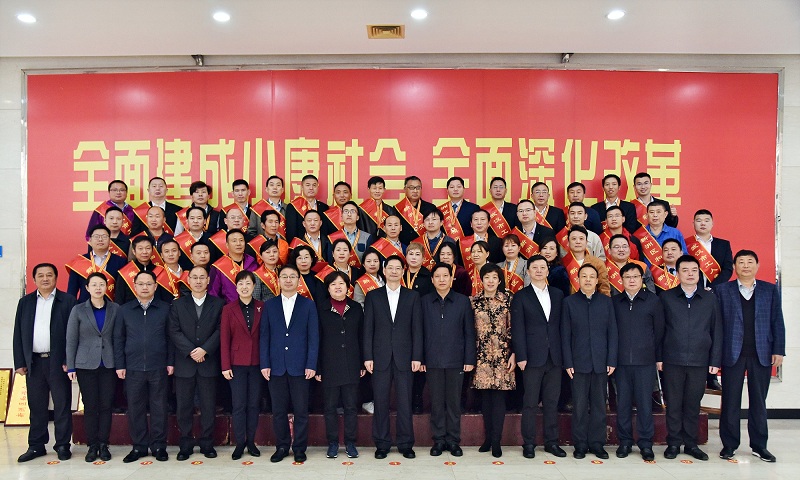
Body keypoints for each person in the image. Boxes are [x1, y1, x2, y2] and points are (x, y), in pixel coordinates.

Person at [717, 250, 785, 462]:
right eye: (741, 262)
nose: (745, 265)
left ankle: (759, 445)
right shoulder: (723, 290)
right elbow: (717, 326)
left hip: (761, 353)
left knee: (759, 402)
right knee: (730, 401)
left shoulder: (769, 290)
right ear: (734, 266)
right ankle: (729, 445)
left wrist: (779, 350)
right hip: (732, 353)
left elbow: (777, 321)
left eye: (750, 262)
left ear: (757, 265)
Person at [660, 255, 722, 461]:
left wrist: (715, 360)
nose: (690, 274)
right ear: (677, 274)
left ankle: (691, 444)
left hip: (699, 360)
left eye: (694, 270)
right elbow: (659, 331)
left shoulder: (710, 299)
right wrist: (659, 357)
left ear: (699, 273)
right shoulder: (667, 297)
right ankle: (673, 443)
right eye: (685, 270)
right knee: (673, 404)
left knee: (693, 404)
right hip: (672, 359)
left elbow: (717, 330)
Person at [13, 264, 77, 463]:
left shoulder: (67, 301)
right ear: (34, 280)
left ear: (56, 278)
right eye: (40, 275)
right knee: (36, 405)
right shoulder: (25, 302)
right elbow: (18, 333)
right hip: (33, 362)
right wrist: (20, 361)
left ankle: (62, 445)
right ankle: (36, 445)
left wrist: (68, 360)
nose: (45, 278)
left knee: (62, 404)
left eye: (49, 275)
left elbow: (73, 334)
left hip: (58, 362)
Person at [363, 255, 424, 460]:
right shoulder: (373, 296)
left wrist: (417, 356)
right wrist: (367, 356)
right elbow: (368, 329)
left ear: (403, 271)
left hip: (405, 357)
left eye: (398, 268)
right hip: (379, 356)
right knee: (380, 402)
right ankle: (382, 443)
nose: (394, 271)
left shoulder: (412, 296)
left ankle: (406, 444)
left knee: (405, 402)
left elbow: (417, 329)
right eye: (391, 268)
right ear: (384, 270)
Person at [260, 264, 319, 463]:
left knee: (301, 410)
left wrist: (311, 364)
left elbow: (313, 337)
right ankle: (282, 446)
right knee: (278, 411)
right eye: (284, 276)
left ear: (298, 280)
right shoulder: (269, 305)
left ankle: (300, 448)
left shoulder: (308, 305)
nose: (288, 280)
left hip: (300, 366)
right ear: (278, 280)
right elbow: (264, 336)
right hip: (276, 366)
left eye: (292, 276)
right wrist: (265, 363)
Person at [114, 270, 174, 463]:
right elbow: (118, 339)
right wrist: (120, 364)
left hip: (159, 366)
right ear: (134, 286)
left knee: (159, 407)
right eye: (141, 284)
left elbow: (170, 338)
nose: (145, 287)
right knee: (135, 408)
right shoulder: (124, 310)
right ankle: (139, 446)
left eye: (149, 284)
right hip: (133, 367)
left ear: (155, 286)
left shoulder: (165, 309)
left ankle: (159, 446)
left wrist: (170, 361)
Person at [511, 255, 567, 459]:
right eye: (534, 268)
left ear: (548, 270)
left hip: (555, 357)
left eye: (543, 267)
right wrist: (521, 355)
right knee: (530, 402)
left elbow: (562, 327)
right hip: (531, 357)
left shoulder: (558, 294)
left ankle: (552, 442)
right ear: (528, 271)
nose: (539, 271)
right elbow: (517, 329)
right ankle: (529, 443)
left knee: (552, 402)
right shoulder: (521, 296)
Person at [169, 265, 225, 461]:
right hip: (185, 364)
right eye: (195, 277)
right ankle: (185, 444)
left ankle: (207, 443)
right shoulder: (177, 304)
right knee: (184, 407)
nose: (199, 281)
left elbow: (220, 330)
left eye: (202, 277)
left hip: (208, 363)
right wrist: (191, 351)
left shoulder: (218, 304)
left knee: (208, 406)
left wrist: (205, 350)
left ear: (208, 281)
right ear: (189, 280)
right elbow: (174, 331)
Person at [561, 264, 617, 459]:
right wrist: (568, 362)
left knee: (600, 405)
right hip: (578, 363)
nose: (587, 280)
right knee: (579, 406)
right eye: (583, 276)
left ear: (597, 280)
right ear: (578, 279)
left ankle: (597, 443)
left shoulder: (606, 302)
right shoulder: (569, 302)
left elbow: (613, 333)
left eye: (591, 276)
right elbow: (565, 335)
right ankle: (580, 444)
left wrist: (611, 359)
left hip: (601, 362)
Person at [421, 263, 476, 457]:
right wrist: (421, 358)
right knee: (436, 403)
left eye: (445, 276)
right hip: (432, 360)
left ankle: (453, 440)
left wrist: (469, 358)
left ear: (452, 279)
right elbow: (419, 332)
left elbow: (469, 332)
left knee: (453, 403)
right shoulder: (424, 302)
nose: (442, 279)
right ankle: (438, 440)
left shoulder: (462, 301)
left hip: (456, 359)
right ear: (432, 280)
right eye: (438, 276)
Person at [612, 263, 664, 461]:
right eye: (627, 277)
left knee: (644, 404)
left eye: (635, 276)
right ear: (622, 280)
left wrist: (657, 357)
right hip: (621, 362)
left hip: (645, 362)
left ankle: (645, 443)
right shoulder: (615, 302)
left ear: (642, 279)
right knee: (623, 403)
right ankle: (625, 441)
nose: (632, 280)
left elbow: (659, 332)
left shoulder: (653, 301)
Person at [65, 273, 119, 462]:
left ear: (107, 287)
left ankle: (103, 444)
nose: (98, 288)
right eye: (94, 285)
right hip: (85, 365)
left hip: (109, 364)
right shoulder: (78, 310)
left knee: (106, 405)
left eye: (101, 284)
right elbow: (71, 339)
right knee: (90, 406)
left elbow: (119, 337)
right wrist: (71, 366)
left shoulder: (115, 309)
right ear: (87, 288)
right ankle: (92, 445)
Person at [316, 271, 364, 460]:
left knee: (351, 406)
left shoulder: (356, 308)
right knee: (330, 407)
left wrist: (362, 362)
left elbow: (361, 336)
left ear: (347, 287)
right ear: (328, 288)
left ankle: (350, 443)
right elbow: (316, 339)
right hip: (329, 365)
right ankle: (333, 443)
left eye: (341, 284)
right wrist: (318, 367)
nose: (338, 287)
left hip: (352, 363)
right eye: (333, 284)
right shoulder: (321, 308)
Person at [471, 263, 515, 458]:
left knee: (499, 400)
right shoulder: (474, 302)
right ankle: (488, 438)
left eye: (494, 277)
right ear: (481, 280)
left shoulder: (508, 300)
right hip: (481, 357)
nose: (490, 281)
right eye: (487, 277)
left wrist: (515, 353)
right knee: (486, 400)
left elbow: (514, 328)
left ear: (499, 280)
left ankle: (497, 441)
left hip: (503, 356)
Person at [220, 271, 264, 460]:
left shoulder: (262, 307)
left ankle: (251, 442)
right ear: (236, 287)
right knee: (239, 405)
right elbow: (224, 339)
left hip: (257, 363)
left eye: (248, 283)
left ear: (254, 286)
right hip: (236, 364)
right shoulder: (228, 309)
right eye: (241, 284)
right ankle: (240, 443)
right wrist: (225, 365)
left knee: (253, 404)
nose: (244, 287)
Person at [67, 224, 126, 301]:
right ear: (90, 241)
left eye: (104, 236)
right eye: (96, 236)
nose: (100, 239)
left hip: (110, 306)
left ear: (110, 241)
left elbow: (122, 291)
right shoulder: (79, 262)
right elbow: (71, 291)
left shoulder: (121, 262)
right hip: (84, 306)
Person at [687, 209, 734, 290]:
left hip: (717, 290)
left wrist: (713, 287)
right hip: (692, 290)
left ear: (712, 224)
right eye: (699, 221)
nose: (703, 223)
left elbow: (728, 269)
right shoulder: (686, 244)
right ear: (693, 223)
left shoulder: (723, 245)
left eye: (706, 221)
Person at [633, 199, 687, 267]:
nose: (655, 215)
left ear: (665, 214)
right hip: (646, 272)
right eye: (652, 212)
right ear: (646, 215)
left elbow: (684, 256)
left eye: (658, 212)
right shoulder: (638, 235)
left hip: (671, 272)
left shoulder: (675, 233)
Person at [209, 229, 259, 303]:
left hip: (252, 306)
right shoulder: (218, 267)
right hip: (228, 308)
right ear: (227, 245)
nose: (238, 244)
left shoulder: (253, 263)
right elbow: (213, 294)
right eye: (234, 241)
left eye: (241, 240)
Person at [562, 226, 610, 296]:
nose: (578, 242)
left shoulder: (597, 263)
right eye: (574, 239)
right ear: (568, 243)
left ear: (586, 242)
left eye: (581, 239)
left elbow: (604, 288)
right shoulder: (563, 263)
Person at [115, 236, 162, 305]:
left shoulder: (160, 271)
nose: (144, 252)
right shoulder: (124, 272)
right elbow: (119, 299)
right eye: (140, 248)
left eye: (148, 248)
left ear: (152, 250)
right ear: (134, 251)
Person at [285, 174, 329, 241]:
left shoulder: (324, 207)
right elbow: (291, 231)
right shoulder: (293, 206)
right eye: (308, 185)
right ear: (302, 187)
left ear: (317, 188)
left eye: (314, 185)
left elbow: (326, 230)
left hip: (320, 244)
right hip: (300, 245)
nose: (311, 188)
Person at [396, 176, 437, 245]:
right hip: (403, 247)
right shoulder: (397, 208)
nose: (415, 191)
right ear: (405, 189)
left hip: (425, 246)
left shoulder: (430, 208)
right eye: (411, 188)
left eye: (418, 188)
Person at [438, 176, 480, 240]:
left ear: (464, 190)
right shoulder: (440, 209)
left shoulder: (473, 208)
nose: (455, 189)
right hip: (445, 244)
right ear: (447, 191)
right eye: (452, 187)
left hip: (467, 244)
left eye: (459, 187)